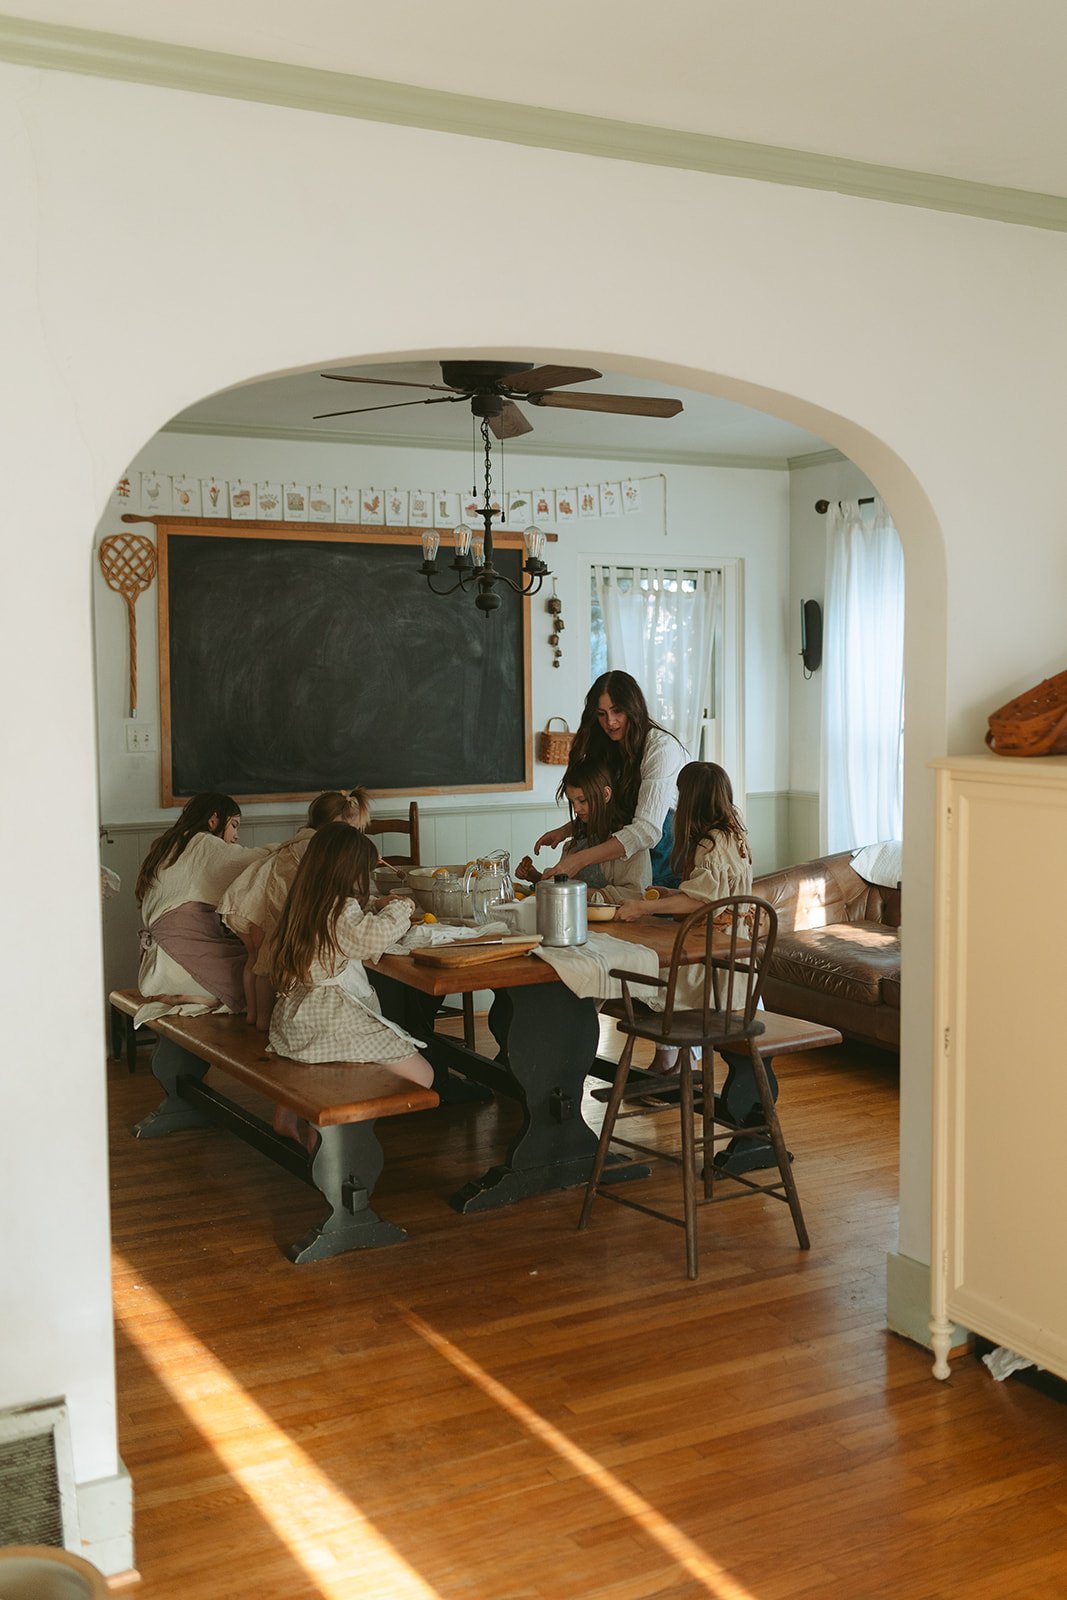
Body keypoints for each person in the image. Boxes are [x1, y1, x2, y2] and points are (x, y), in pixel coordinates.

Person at [613, 762, 777, 1165]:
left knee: (646, 974)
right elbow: (713, 891)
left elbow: (700, 901)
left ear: (693, 798)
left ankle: (670, 1059)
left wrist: (640, 905)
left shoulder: (708, 842)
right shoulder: (734, 835)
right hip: (737, 962)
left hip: (715, 968)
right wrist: (669, 892)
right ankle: (671, 1064)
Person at [268, 824, 433, 1141]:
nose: (367, 880)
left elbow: (342, 929)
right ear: (349, 871)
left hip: (295, 1022)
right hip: (328, 1024)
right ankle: (335, 1133)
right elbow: (371, 936)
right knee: (423, 1076)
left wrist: (372, 906)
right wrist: (401, 906)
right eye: (365, 872)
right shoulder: (338, 910)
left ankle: (295, 1113)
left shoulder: (306, 900)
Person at [219, 787, 370, 1031]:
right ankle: (264, 1022)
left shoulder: (300, 838)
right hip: (276, 907)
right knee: (269, 967)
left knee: (255, 960)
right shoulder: (318, 846)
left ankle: (253, 1016)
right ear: (332, 824)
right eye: (347, 830)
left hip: (254, 901)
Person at [534, 671, 686, 888]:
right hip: (637, 863)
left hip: (671, 864)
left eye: (617, 711)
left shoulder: (661, 748)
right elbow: (609, 806)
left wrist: (579, 859)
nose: (610, 722)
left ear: (634, 708)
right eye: (601, 714)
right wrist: (568, 830)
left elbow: (647, 830)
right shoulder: (609, 747)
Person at [135, 791, 269, 1018]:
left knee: (247, 961)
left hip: (156, 962)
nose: (236, 836)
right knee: (259, 976)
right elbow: (250, 861)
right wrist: (290, 848)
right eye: (234, 825)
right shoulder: (202, 844)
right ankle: (199, 997)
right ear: (214, 819)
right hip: (179, 960)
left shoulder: (168, 843)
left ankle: (188, 995)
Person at [517, 755, 650, 902]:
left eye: (582, 800)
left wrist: (576, 892)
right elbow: (561, 887)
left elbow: (637, 895)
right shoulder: (578, 839)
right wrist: (535, 877)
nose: (576, 809)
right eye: (572, 801)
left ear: (606, 794)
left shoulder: (630, 844)